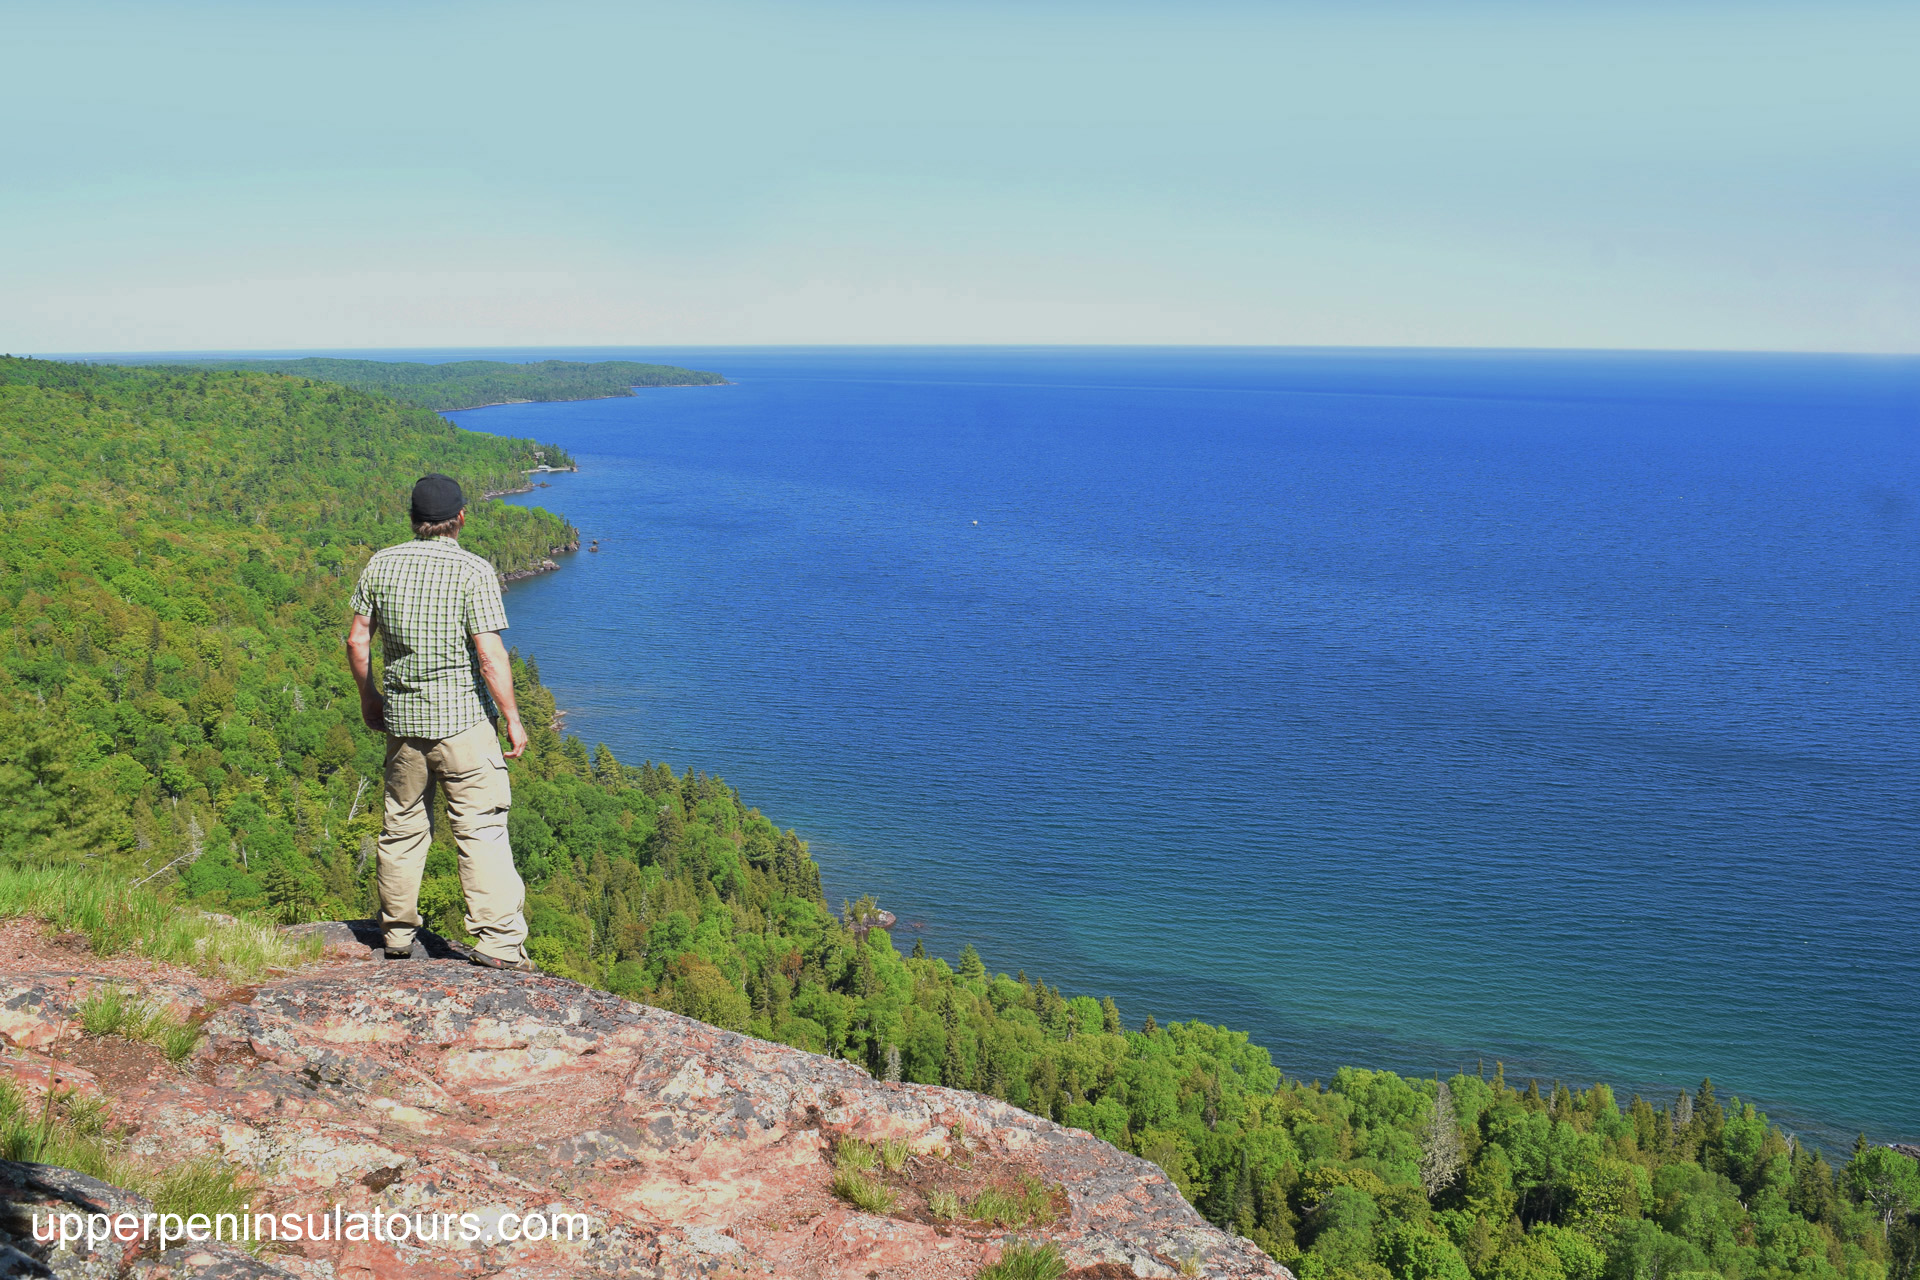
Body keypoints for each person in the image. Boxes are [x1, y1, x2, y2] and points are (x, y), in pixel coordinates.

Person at [344, 473, 534, 970]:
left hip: (404, 724)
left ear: (414, 519)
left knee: (402, 828)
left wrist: (369, 696)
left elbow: (356, 639)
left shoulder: (381, 563)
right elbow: (490, 656)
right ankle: (498, 945)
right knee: (481, 830)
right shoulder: (474, 571)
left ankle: (398, 935)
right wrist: (513, 718)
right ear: (461, 519)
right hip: (465, 726)